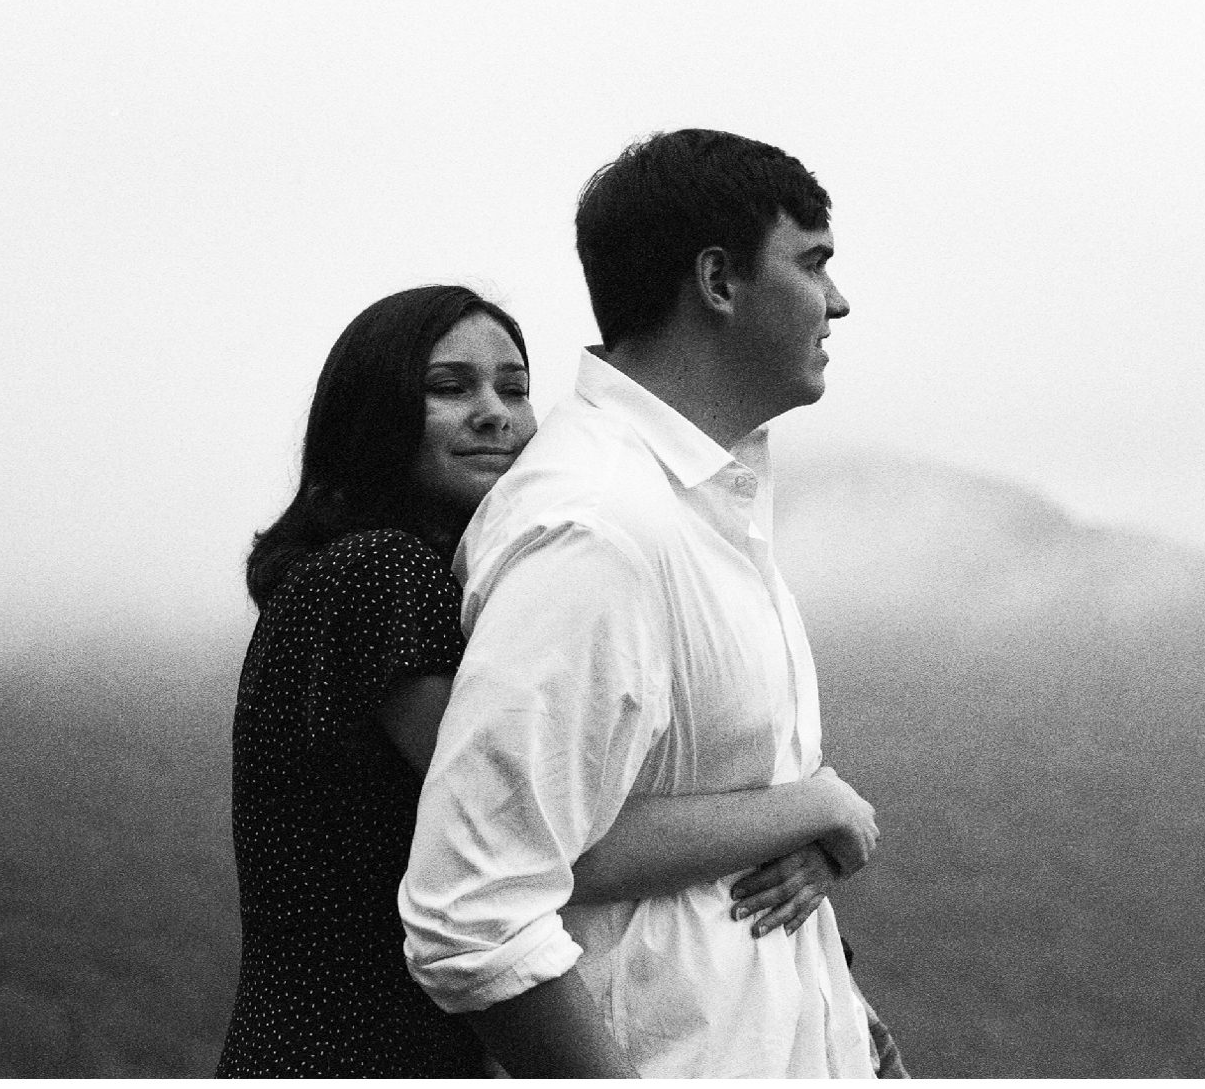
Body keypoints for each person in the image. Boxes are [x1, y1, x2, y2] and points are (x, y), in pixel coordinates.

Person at [217, 284, 883, 1077]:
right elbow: (561, 838)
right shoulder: (380, 573)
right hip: (356, 1052)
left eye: (515, 386)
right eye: (449, 387)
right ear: (372, 413)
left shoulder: (396, 577)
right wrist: (816, 807)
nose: (495, 412)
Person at [400, 130, 892, 1076]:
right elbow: (470, 905)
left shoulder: (701, 503)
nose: (837, 300)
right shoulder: (598, 528)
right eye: (814, 262)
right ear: (718, 280)